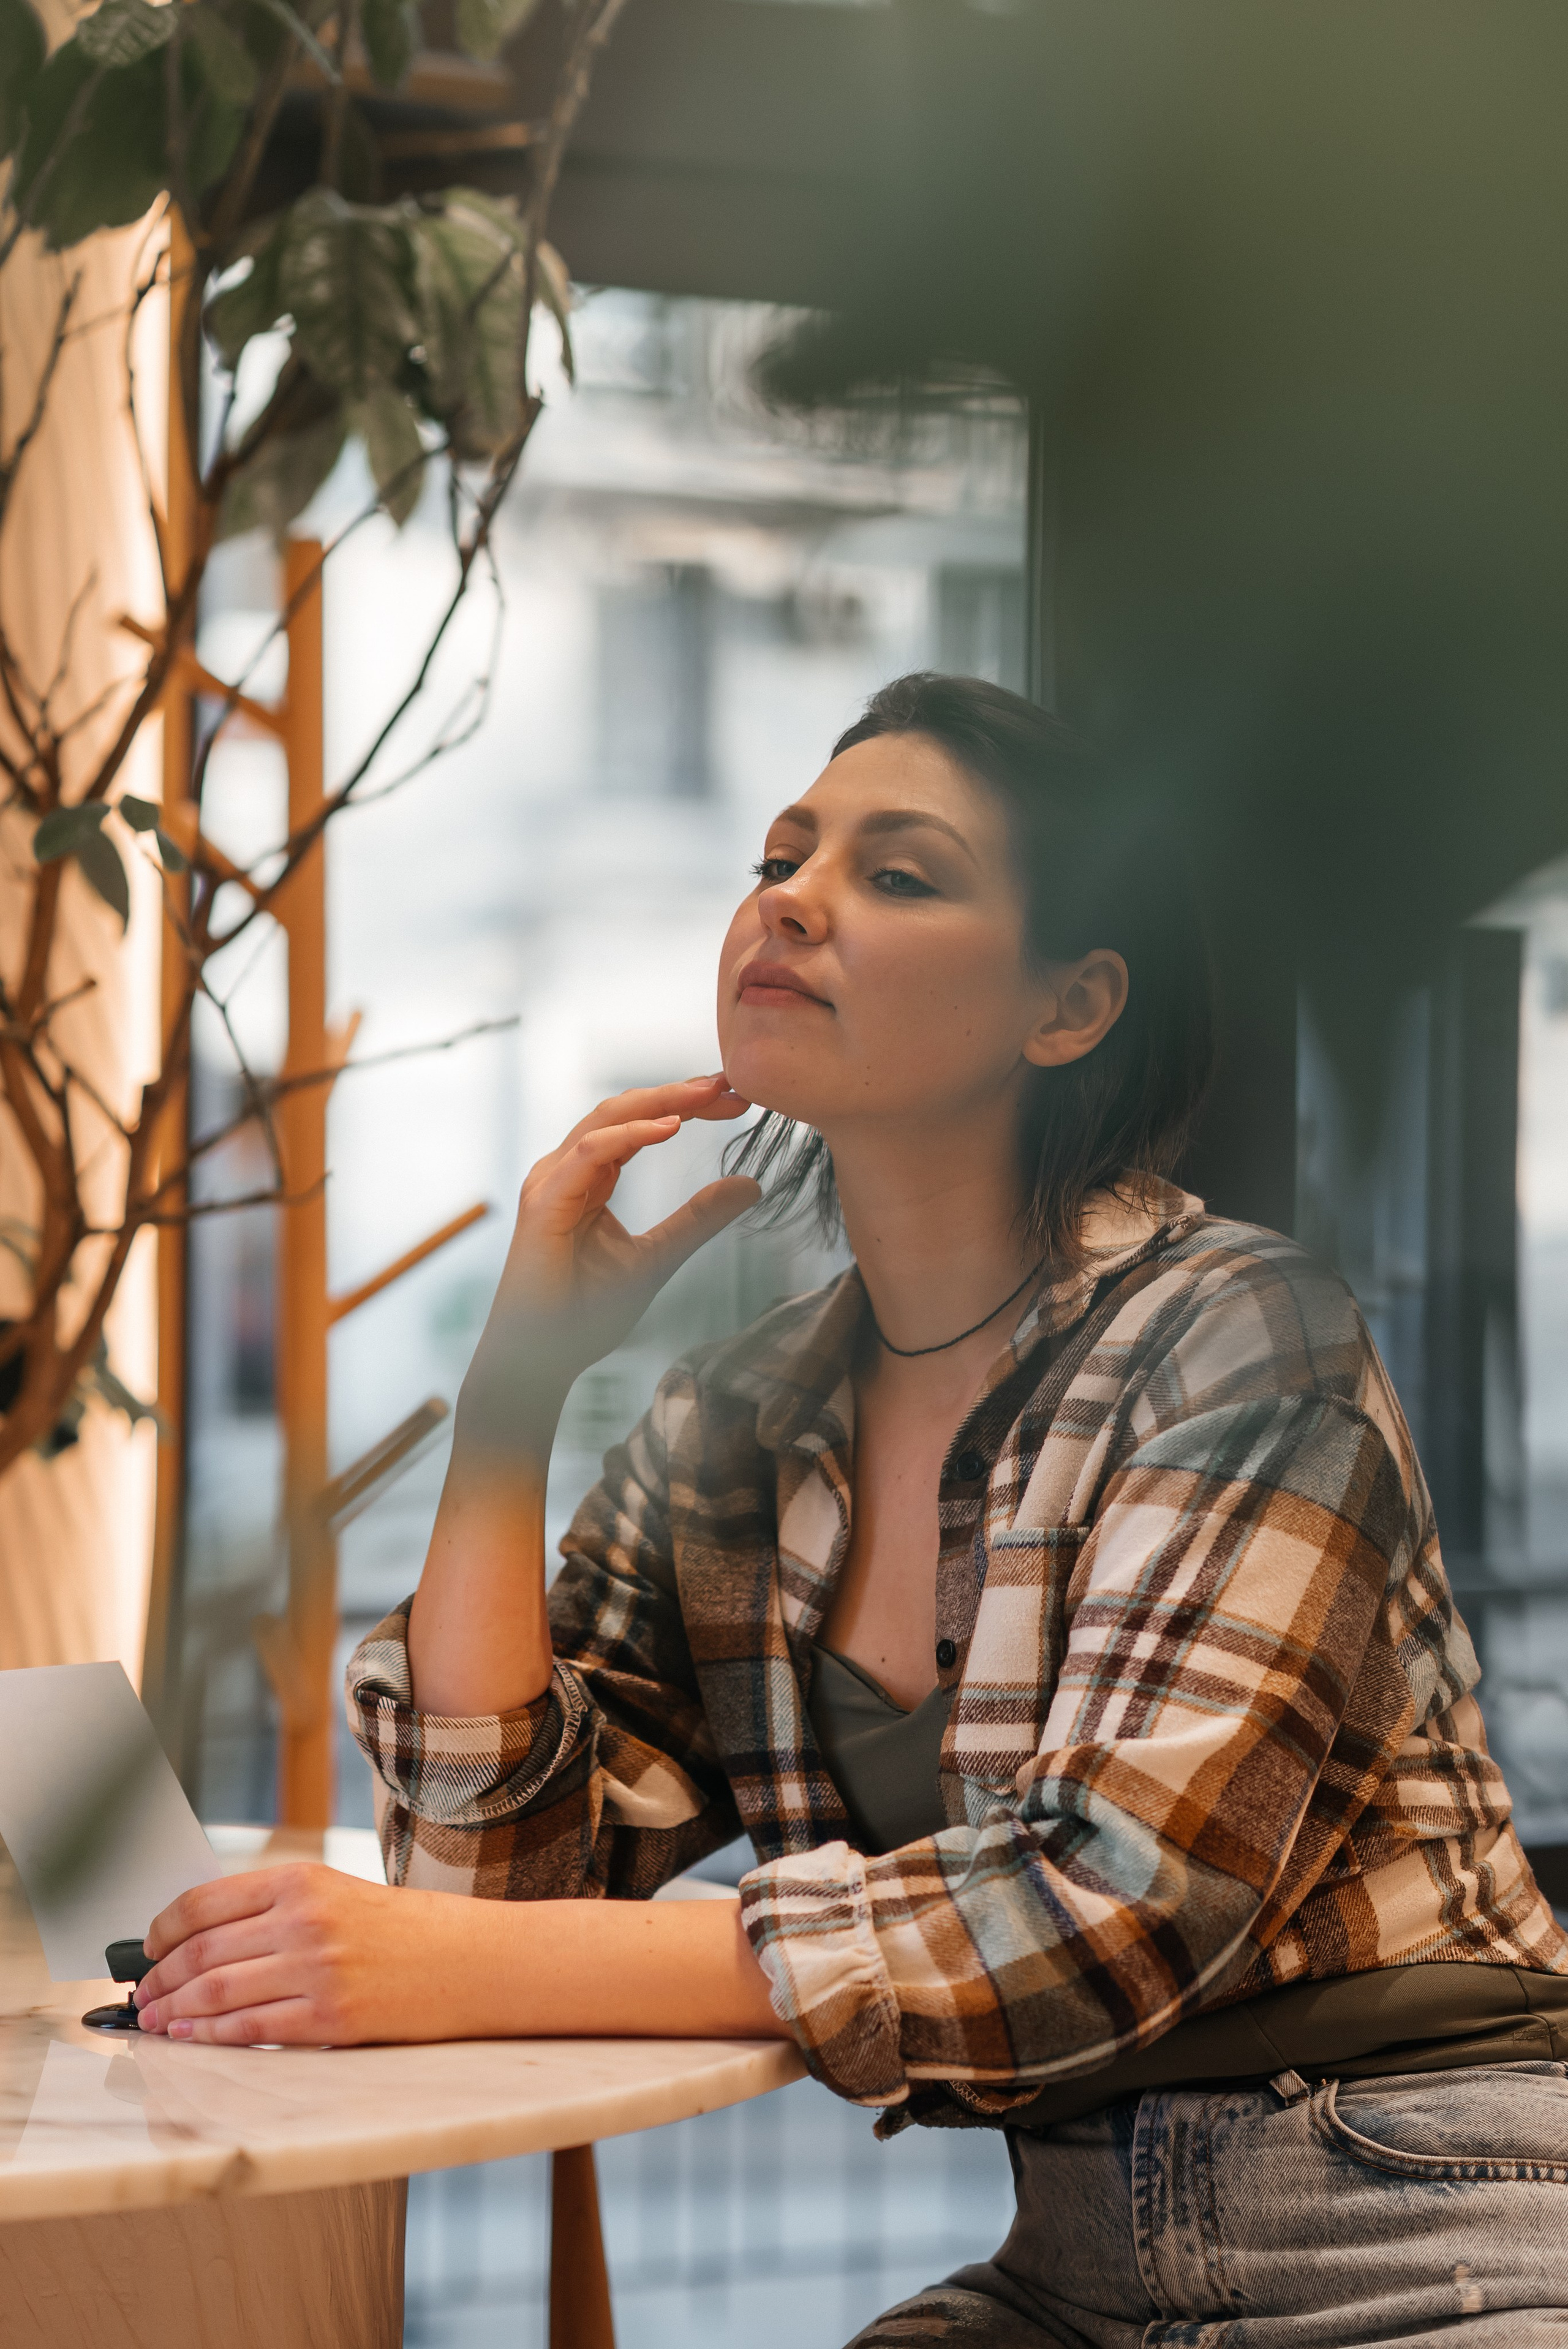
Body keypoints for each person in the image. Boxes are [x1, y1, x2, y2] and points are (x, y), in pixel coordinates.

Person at [137, 675, 1568, 2345]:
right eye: (779, 854)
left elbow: (1101, 1913)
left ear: (1070, 1004)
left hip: (1426, 2205)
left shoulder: (1243, 1335)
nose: (789, 897)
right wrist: (515, 1396)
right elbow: (486, 1888)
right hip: (1074, 2260)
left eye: (899, 874)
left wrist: (440, 1963)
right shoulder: (736, 1425)